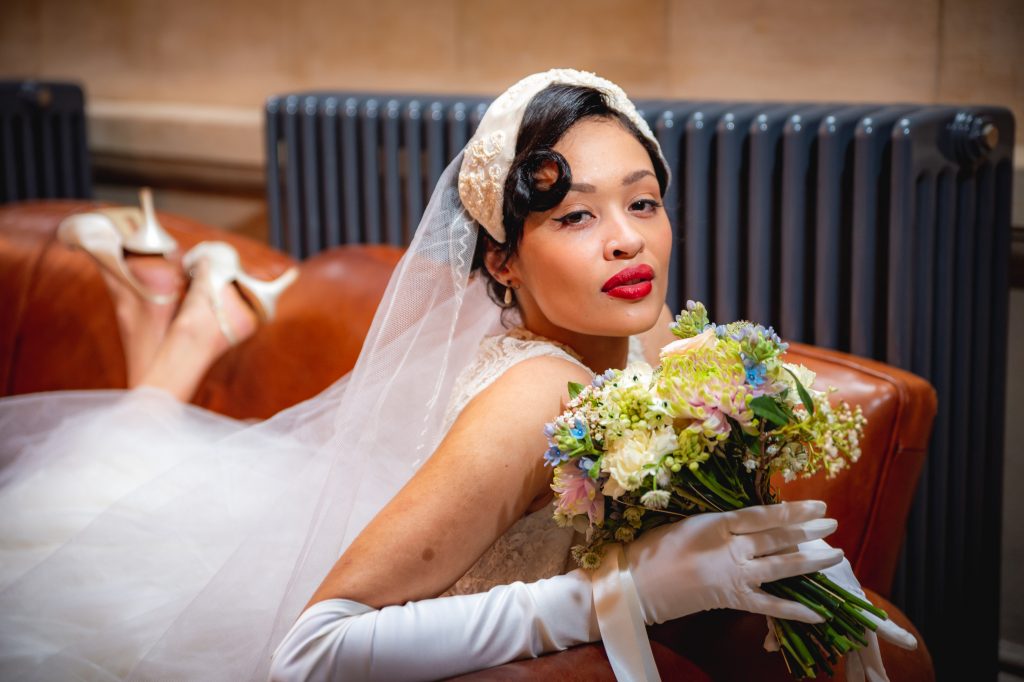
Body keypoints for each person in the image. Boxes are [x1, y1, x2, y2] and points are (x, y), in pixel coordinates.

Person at [0, 69, 913, 681]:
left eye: (642, 202)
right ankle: (179, 333)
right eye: (574, 217)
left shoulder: (650, 350)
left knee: (140, 438)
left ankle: (178, 339)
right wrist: (624, 593)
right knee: (96, 478)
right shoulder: (537, 395)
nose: (628, 238)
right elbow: (310, 652)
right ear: (503, 264)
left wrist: (787, 559)